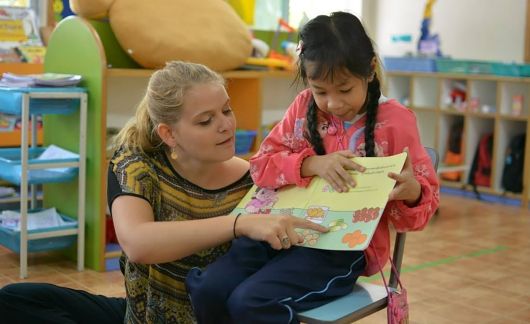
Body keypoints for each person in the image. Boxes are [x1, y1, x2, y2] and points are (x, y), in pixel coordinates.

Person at [0, 61, 327, 324]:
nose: (226, 126)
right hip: (143, 316)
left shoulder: (253, 181)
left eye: (226, 111)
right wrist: (239, 223)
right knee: (16, 299)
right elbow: (139, 243)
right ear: (169, 134)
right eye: (205, 121)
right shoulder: (137, 164)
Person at [186, 12, 440, 324]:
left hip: (340, 250)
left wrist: (413, 193)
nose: (333, 103)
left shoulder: (397, 122)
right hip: (276, 231)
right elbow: (260, 167)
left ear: (370, 69)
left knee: (250, 302)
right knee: (208, 288)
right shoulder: (302, 108)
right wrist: (310, 164)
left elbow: (420, 210)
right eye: (321, 91)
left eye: (344, 89)